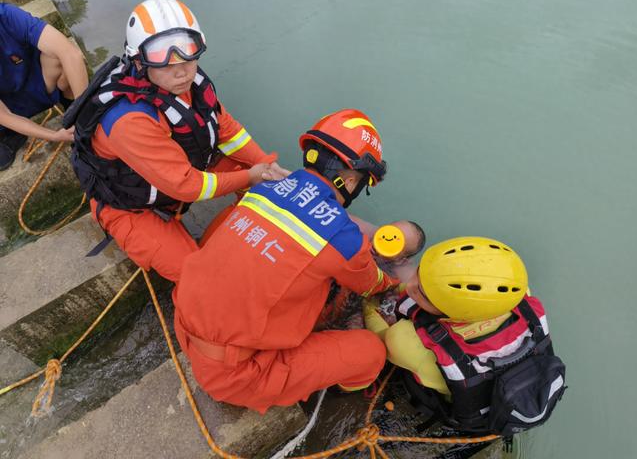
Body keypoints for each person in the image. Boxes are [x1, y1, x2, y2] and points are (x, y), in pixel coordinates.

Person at [174, 109, 398, 413]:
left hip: (186, 325)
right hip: (234, 373)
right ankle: (333, 390)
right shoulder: (342, 237)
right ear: (350, 179)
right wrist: (395, 282)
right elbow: (371, 283)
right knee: (371, 353)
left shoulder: (263, 188)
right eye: (363, 183)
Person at [69, 0, 288, 283]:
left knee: (272, 188)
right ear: (139, 60)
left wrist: (265, 166)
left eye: (188, 51)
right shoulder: (130, 120)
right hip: (133, 207)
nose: (181, 68)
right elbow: (187, 185)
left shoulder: (189, 83)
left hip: (174, 177)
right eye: (163, 57)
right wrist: (250, 176)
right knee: (199, 278)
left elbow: (227, 130)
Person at [364, 237, 566, 440]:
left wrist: (367, 307)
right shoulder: (518, 296)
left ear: (454, 314)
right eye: (420, 273)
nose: (410, 286)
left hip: (464, 409)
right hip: (510, 388)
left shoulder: (403, 340)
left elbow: (380, 340)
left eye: (422, 292)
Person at [0, 2, 86, 170]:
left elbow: (71, 53)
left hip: (32, 84)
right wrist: (53, 136)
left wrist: (85, 114)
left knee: (64, 60)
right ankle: (10, 136)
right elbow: (5, 115)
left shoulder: (7, 15)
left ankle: (73, 114)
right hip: (6, 108)